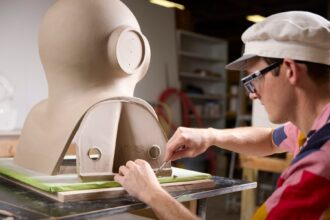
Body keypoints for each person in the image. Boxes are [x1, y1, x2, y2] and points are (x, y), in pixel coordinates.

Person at [114, 11, 330, 219]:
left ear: (290, 70)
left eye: (255, 79)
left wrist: (151, 193)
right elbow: (270, 139)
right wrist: (209, 137)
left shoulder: (319, 165)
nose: (253, 95)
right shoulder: (316, 126)